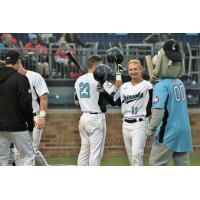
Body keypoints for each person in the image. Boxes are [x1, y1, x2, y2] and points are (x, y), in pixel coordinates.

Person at [146, 39, 193, 166]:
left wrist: (150, 128)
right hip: (184, 131)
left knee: (156, 164)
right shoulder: (180, 82)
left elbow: (158, 112)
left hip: (167, 130)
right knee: (182, 165)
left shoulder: (161, 86)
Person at [74, 55, 121, 166]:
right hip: (96, 118)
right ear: (96, 66)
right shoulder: (100, 78)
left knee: (84, 152)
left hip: (83, 117)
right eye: (100, 65)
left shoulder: (79, 80)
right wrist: (118, 73)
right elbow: (116, 93)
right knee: (95, 154)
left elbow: (76, 102)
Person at [113, 59, 153, 166]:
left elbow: (155, 96)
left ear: (141, 70)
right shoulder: (124, 86)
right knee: (130, 156)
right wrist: (117, 76)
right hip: (125, 124)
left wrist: (155, 83)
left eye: (135, 69)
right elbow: (114, 99)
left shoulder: (147, 85)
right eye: (130, 69)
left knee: (136, 154)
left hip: (140, 123)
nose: (133, 72)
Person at [0, 49, 35, 166]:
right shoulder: (21, 79)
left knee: (1, 159)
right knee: (28, 157)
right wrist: (30, 124)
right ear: (19, 61)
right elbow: (26, 104)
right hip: (18, 126)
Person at [14, 65, 49, 166]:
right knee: (18, 152)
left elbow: (44, 97)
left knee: (31, 151)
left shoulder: (34, 76)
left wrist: (42, 116)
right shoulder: (11, 77)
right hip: (19, 119)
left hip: (34, 117)